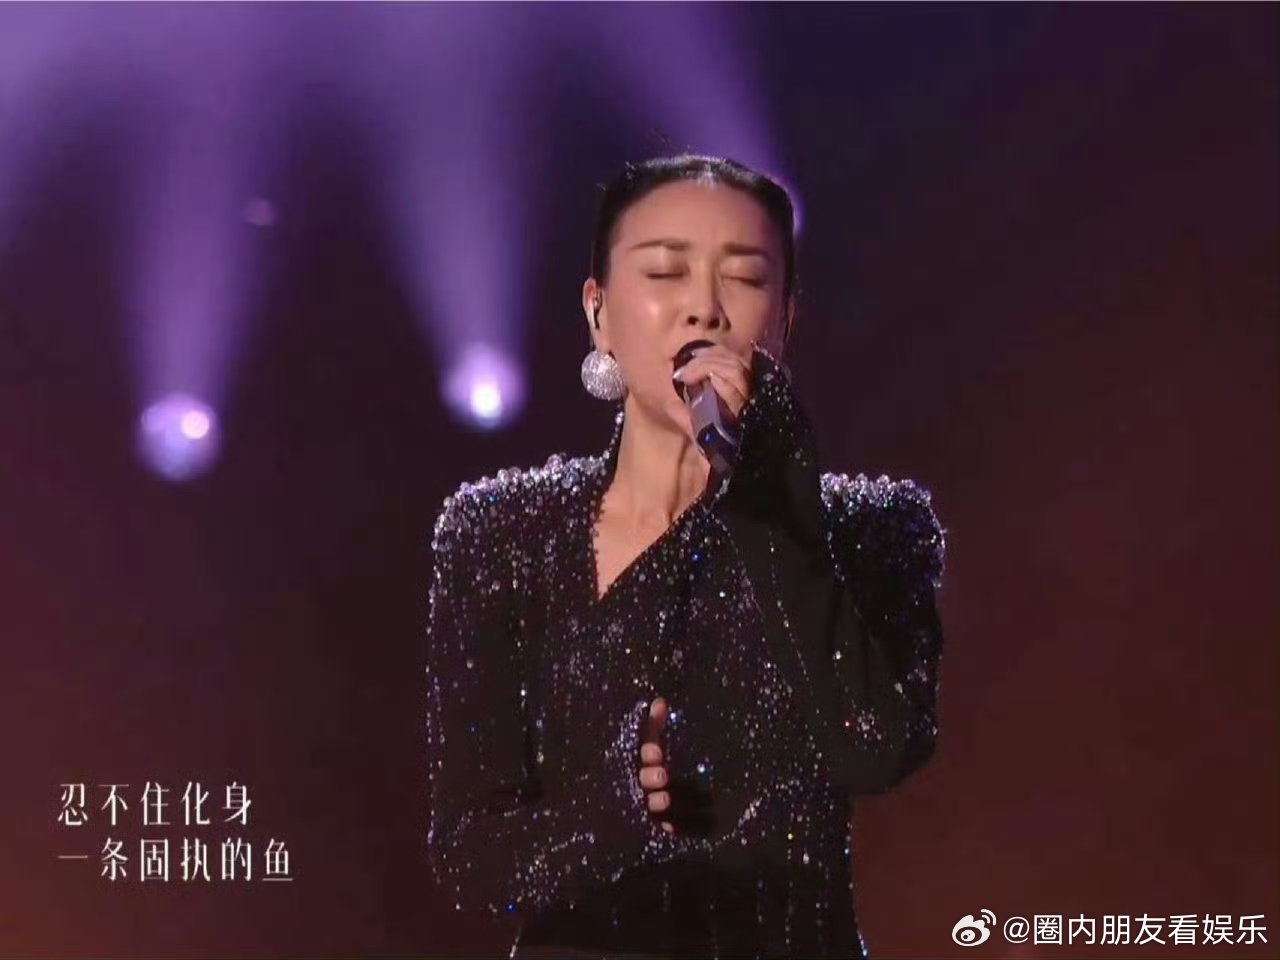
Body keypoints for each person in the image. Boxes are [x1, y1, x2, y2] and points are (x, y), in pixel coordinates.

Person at [424, 153, 947, 959]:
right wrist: (614, 809)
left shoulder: (871, 529)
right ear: (599, 313)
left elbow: (877, 747)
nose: (704, 308)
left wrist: (768, 502)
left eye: (745, 277)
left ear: (786, 316)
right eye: (665, 272)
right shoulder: (500, 533)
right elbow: (471, 858)